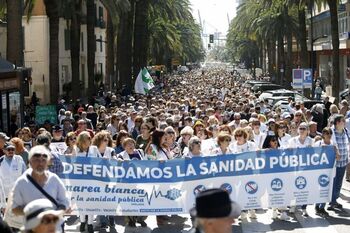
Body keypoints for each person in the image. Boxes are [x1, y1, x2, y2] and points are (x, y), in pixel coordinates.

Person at [11, 146, 70, 231]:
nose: (40, 163)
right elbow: (14, 208)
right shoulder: (21, 182)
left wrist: (56, 213)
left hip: (54, 228)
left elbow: (65, 201)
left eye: (43, 160)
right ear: (30, 162)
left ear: (48, 162)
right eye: (37, 160)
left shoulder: (54, 179)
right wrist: (34, 212)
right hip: (33, 228)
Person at [328, 114, 349, 211]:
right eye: (342, 121)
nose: (344, 123)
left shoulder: (346, 131)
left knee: (339, 182)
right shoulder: (331, 132)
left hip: (344, 161)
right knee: (333, 182)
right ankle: (330, 201)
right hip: (333, 162)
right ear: (337, 123)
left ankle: (334, 200)